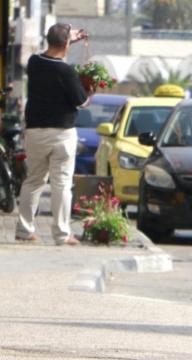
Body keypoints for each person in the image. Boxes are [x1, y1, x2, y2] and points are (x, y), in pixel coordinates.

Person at [15, 23, 93, 245]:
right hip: (62, 134)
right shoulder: (67, 71)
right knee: (61, 184)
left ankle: (24, 231)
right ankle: (61, 234)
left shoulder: (34, 62)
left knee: (33, 181)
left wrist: (68, 38)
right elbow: (81, 101)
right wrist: (90, 91)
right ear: (67, 44)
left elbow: (50, 51)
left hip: (35, 132)